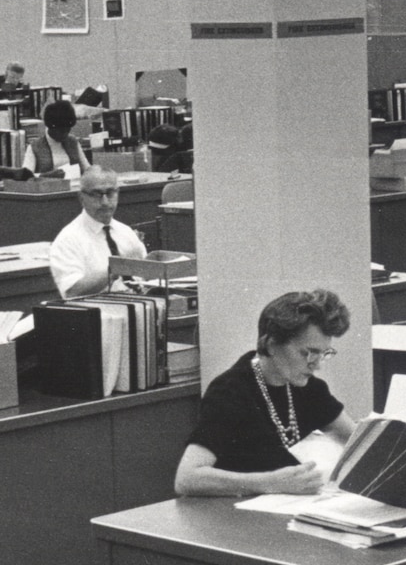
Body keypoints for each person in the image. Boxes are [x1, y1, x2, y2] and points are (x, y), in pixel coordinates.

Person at [175, 290, 355, 497]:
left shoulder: (310, 388)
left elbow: (359, 442)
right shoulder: (229, 391)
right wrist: (271, 482)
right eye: (308, 353)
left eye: (324, 354)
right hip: (234, 516)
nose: (317, 365)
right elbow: (187, 478)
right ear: (271, 344)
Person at [48, 166, 146, 298]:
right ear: (81, 198)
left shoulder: (125, 232)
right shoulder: (68, 239)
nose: (105, 202)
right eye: (96, 194)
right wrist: (115, 269)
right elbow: (71, 292)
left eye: (110, 193)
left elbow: (146, 277)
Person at [23, 98, 87, 174]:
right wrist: (47, 176)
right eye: (61, 131)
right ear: (51, 127)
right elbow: (27, 179)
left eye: (68, 130)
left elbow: (87, 168)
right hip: (47, 185)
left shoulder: (72, 141)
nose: (65, 134)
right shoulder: (34, 147)